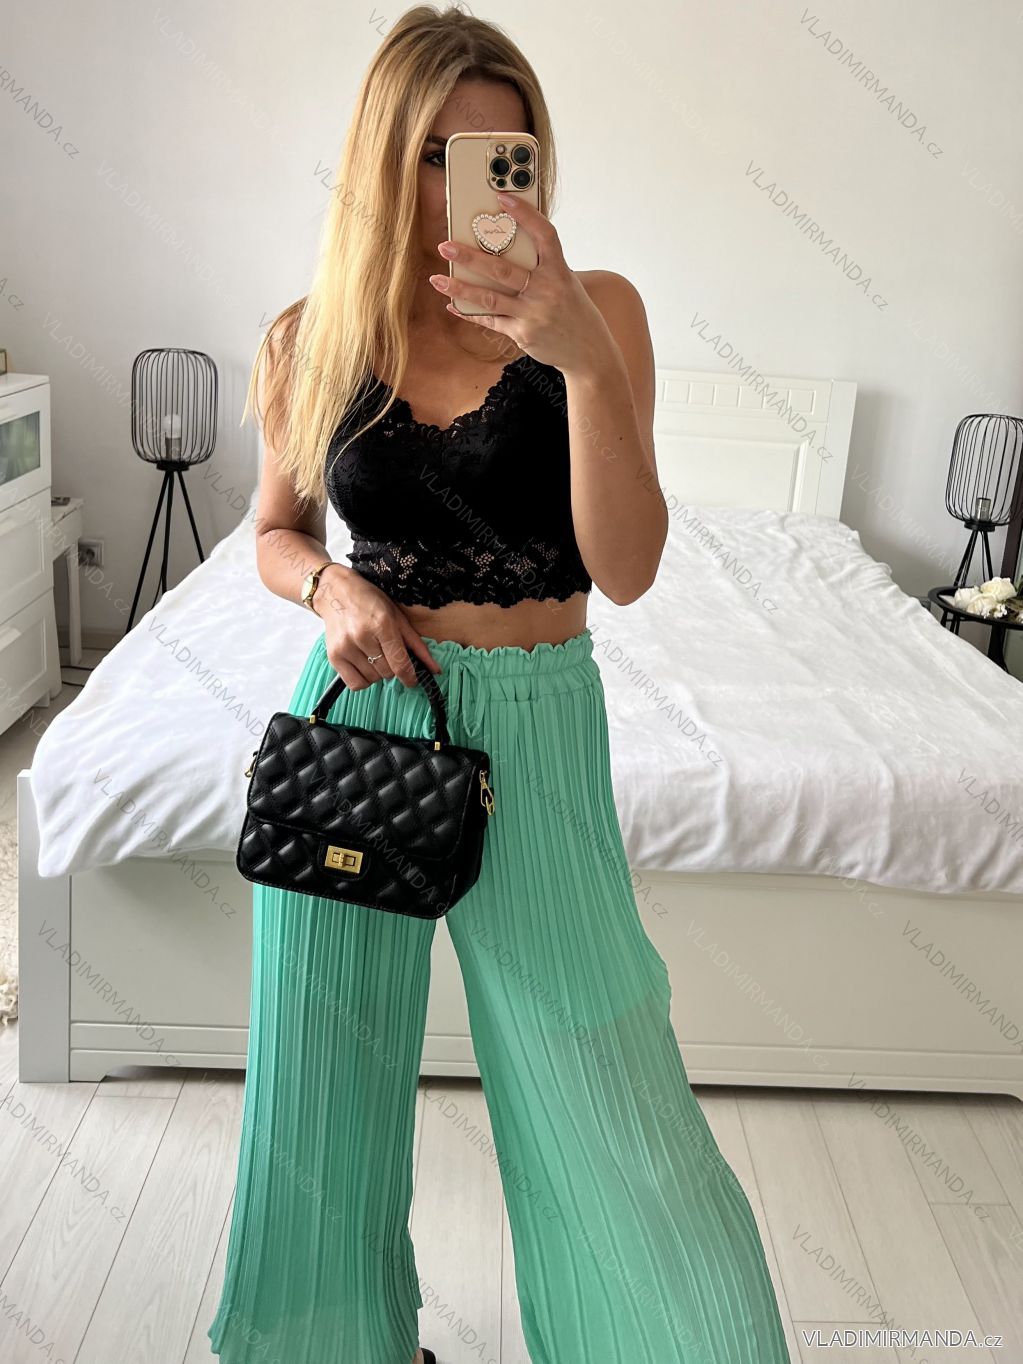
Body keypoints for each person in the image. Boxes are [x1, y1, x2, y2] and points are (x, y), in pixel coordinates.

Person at [208, 6, 790, 1362]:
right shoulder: (312, 336)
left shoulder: (601, 316)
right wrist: (331, 587)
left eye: (502, 152)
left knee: (603, 1066)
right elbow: (275, 532)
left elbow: (627, 568)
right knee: (318, 1076)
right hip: (362, 723)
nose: (473, 182)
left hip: (535, 726)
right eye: (438, 153)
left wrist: (577, 354)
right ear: (384, 160)